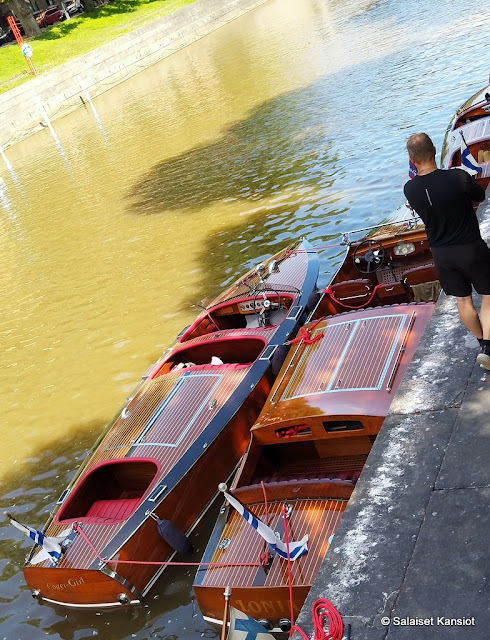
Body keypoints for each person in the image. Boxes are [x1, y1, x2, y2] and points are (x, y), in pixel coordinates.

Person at [403, 132, 490, 369]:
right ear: (434, 151)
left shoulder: (410, 189)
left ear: (412, 160)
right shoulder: (457, 177)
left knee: (463, 299)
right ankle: (489, 347)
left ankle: (483, 343)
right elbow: (480, 195)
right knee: (488, 295)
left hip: (442, 254)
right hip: (470, 247)